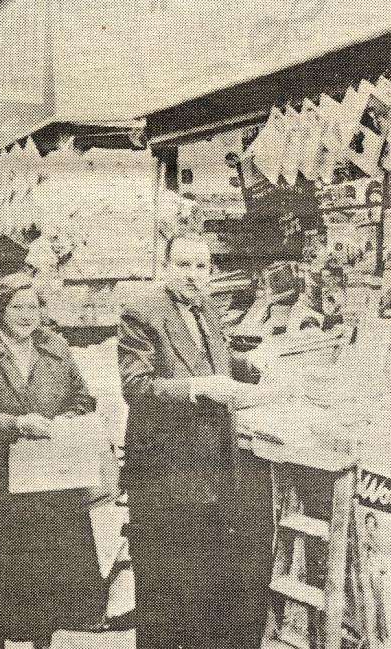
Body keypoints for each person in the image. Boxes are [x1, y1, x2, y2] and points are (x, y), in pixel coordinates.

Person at [118, 233, 272, 649]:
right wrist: (200, 388)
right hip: (164, 477)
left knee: (203, 592)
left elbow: (211, 357)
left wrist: (253, 367)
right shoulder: (142, 313)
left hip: (213, 474)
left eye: (201, 267)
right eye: (184, 265)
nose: (193, 275)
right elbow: (136, 387)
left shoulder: (207, 309)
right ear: (166, 268)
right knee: (163, 595)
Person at [0, 274, 105, 649]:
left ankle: (42, 640)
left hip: (48, 478)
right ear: (0, 311)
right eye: (17, 307)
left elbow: (83, 398)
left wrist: (70, 419)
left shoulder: (57, 347)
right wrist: (15, 424)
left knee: (44, 568)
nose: (26, 315)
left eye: (33, 307)